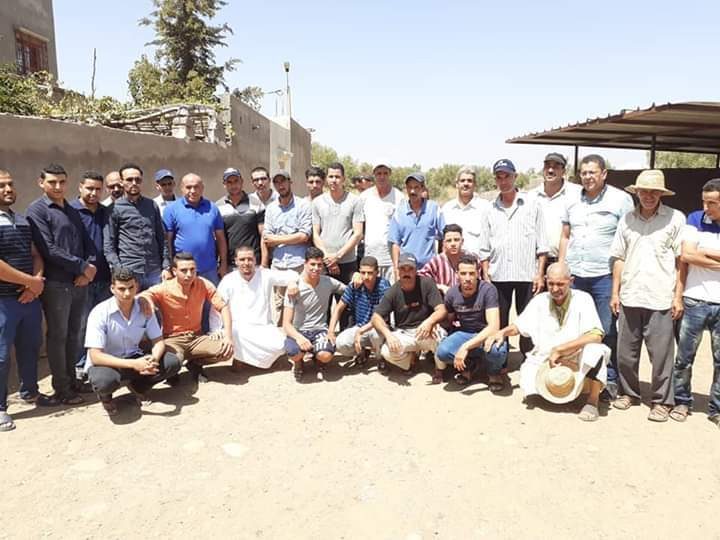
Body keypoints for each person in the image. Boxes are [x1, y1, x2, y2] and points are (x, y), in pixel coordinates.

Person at [487, 262, 609, 422]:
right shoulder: (540, 300)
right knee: (529, 383)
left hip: (575, 357)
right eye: (551, 284)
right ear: (545, 280)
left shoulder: (583, 299)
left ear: (571, 281)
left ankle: (592, 402)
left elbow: (596, 335)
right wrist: (502, 333)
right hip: (546, 360)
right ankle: (555, 391)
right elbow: (519, 326)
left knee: (596, 350)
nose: (555, 289)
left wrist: (561, 349)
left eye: (560, 284)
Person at [609, 170, 685, 422]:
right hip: (630, 294)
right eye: (644, 191)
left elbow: (680, 261)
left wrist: (677, 296)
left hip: (660, 296)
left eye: (654, 192)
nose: (649, 196)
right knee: (625, 353)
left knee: (661, 355)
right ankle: (628, 393)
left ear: (661, 194)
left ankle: (662, 401)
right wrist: (615, 292)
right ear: (637, 192)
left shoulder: (675, 218)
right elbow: (619, 257)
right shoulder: (627, 220)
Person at [559, 154, 634, 400]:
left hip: (604, 276)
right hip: (576, 275)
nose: (588, 177)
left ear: (604, 174)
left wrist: (619, 281)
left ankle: (608, 380)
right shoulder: (571, 201)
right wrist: (561, 267)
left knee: (606, 329)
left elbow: (628, 240)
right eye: (584, 173)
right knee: (575, 326)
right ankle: (578, 375)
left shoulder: (621, 200)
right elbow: (565, 236)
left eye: (592, 172)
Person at [27, 163, 97, 406]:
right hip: (57, 284)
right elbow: (48, 249)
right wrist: (81, 266)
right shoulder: (37, 210)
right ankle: (62, 389)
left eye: (62, 182)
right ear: (41, 183)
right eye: (52, 182)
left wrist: (86, 271)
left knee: (75, 334)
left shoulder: (72, 209)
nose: (58, 187)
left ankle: (72, 381)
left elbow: (88, 243)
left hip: (79, 282)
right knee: (58, 336)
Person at [84, 267, 181, 416]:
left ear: (136, 286)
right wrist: (134, 364)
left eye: (131, 288)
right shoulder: (100, 313)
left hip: (135, 356)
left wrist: (153, 360)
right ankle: (105, 397)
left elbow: (158, 341)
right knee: (104, 381)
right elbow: (95, 356)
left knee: (172, 362)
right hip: (108, 362)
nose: (127, 293)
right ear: (112, 289)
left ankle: (138, 387)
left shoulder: (145, 308)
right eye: (121, 289)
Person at [479, 159, 548, 356]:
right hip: (498, 274)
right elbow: (484, 246)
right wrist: (486, 273)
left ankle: (529, 359)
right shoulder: (489, 209)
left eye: (507, 176)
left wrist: (539, 274)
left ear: (515, 177)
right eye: (499, 177)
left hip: (526, 274)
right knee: (499, 320)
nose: (503, 181)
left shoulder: (532, 205)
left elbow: (542, 245)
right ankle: (499, 360)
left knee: (528, 319)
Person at [139, 252, 233, 383]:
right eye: (184, 270)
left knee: (227, 350)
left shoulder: (203, 284)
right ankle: (173, 370)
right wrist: (145, 300)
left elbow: (223, 307)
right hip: (172, 340)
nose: (189, 274)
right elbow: (145, 295)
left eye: (192, 270)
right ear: (174, 271)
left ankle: (195, 363)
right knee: (172, 363)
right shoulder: (164, 288)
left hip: (196, 338)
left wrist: (228, 336)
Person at [671, 177, 720, 427]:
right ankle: (681, 401)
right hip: (694, 299)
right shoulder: (694, 219)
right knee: (684, 358)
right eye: (704, 202)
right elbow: (686, 255)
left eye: (711, 203)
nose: (706, 208)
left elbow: (695, 254)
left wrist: (704, 252)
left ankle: (716, 408)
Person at [0, 170, 47, 430]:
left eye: (10, 184)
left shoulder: (21, 220)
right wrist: (30, 282)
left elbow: (35, 254)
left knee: (30, 348)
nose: (8, 189)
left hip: (29, 300)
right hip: (3, 302)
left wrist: (35, 284)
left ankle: (30, 392)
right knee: (1, 356)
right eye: (2, 186)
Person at [216, 245, 298, 370]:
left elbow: (292, 275)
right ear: (236, 261)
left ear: (255, 260)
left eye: (250, 259)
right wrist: (217, 329)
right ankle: (239, 360)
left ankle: (258, 360)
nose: (246, 263)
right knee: (231, 333)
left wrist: (292, 283)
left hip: (263, 326)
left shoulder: (265, 274)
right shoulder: (228, 280)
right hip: (238, 327)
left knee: (281, 345)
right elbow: (217, 305)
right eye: (242, 259)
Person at [434, 254, 505, 387]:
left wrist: (465, 347)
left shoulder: (488, 290)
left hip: (486, 333)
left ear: (477, 273)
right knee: (442, 352)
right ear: (457, 274)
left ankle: (493, 372)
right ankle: (469, 366)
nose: (467, 278)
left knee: (497, 351)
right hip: (465, 332)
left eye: (471, 273)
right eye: (463, 273)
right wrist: (435, 325)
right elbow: (449, 321)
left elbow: (493, 327)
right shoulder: (452, 294)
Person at [70, 171, 112, 390]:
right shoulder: (70, 212)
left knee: (102, 324)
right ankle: (79, 367)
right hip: (82, 279)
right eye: (89, 188)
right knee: (81, 325)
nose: (94, 193)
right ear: (80, 187)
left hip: (106, 278)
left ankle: (97, 363)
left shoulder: (106, 212)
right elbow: (68, 246)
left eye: (98, 189)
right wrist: (79, 271)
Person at [371, 252, 447, 374]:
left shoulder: (427, 283)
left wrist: (430, 322)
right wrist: (388, 335)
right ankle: (411, 360)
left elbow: (442, 310)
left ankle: (440, 370)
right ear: (398, 271)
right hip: (405, 333)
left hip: (426, 330)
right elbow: (375, 317)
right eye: (403, 269)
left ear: (416, 270)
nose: (406, 273)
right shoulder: (393, 291)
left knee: (440, 338)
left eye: (410, 269)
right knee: (386, 351)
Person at [312, 161, 364, 328]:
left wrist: (338, 256)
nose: (334, 180)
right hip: (324, 263)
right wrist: (327, 257)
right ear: (326, 179)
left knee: (347, 305)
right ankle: (323, 338)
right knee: (323, 304)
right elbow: (315, 233)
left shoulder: (355, 201)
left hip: (347, 262)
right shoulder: (318, 202)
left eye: (337, 177)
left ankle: (345, 339)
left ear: (344, 179)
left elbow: (357, 233)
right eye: (331, 176)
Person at [283, 247, 345, 381]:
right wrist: (299, 338)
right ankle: (298, 362)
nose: (316, 268)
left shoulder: (328, 282)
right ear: (305, 264)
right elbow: (286, 324)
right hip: (299, 330)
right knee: (294, 353)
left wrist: (357, 276)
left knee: (326, 355)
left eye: (319, 265)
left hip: (320, 330)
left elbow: (349, 290)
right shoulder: (294, 287)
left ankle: (318, 359)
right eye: (312, 264)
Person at [104, 163, 170, 291]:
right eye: (129, 180)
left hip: (154, 271)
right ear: (122, 182)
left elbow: (162, 238)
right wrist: (119, 269)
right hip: (130, 272)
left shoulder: (152, 205)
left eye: (137, 180)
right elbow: (109, 244)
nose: (134, 183)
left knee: (155, 304)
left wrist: (166, 266)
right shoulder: (114, 209)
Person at [262, 170, 312, 322]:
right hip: (278, 265)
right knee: (279, 307)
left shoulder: (303, 205)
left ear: (290, 182)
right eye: (276, 182)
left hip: (298, 265)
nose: (280, 185)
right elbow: (267, 237)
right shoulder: (271, 208)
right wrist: (293, 237)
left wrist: (277, 240)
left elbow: (304, 235)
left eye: (283, 181)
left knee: (300, 306)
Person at [164, 172, 228, 284]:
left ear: (202, 188)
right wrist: (168, 267)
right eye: (188, 187)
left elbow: (221, 239)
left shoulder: (212, 208)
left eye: (196, 187)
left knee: (211, 296)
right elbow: (167, 241)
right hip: (182, 270)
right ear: (182, 189)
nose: (193, 191)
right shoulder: (171, 209)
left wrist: (223, 264)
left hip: (209, 270)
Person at [327, 256, 390, 364]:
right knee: (340, 343)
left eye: (370, 273)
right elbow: (339, 308)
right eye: (363, 273)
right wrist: (331, 331)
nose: (366, 277)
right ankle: (363, 352)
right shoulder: (355, 286)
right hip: (360, 326)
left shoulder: (383, 286)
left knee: (375, 335)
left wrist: (361, 331)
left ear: (377, 272)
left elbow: (382, 317)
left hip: (378, 327)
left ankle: (380, 359)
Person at [530, 153, 582, 264]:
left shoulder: (577, 193)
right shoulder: (531, 196)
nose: (550, 170)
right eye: (547, 166)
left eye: (556, 167)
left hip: (568, 262)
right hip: (536, 262)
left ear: (564, 171)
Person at [389, 172, 445, 275]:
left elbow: (444, 236)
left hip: (429, 269)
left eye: (416, 187)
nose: (412, 191)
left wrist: (441, 264)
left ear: (423, 188)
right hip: (406, 269)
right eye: (409, 187)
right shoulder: (399, 212)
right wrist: (396, 270)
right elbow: (395, 244)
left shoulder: (433, 208)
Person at [360, 163, 405, 283]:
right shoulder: (364, 197)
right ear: (374, 175)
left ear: (390, 174)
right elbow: (360, 226)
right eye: (379, 173)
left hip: (391, 259)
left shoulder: (399, 197)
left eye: (385, 173)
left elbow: (402, 228)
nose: (382, 176)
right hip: (370, 256)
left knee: (391, 291)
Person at [216, 167, 265, 267]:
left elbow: (264, 236)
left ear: (242, 182)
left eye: (236, 181)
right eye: (229, 182)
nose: (233, 185)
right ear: (224, 184)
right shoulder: (218, 207)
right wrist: (223, 264)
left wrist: (264, 263)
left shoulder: (256, 203)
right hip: (230, 264)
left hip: (253, 263)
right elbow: (219, 238)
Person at [440, 167, 490, 256]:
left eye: (469, 181)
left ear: (475, 184)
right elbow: (442, 241)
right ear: (457, 184)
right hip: (452, 263)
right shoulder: (447, 209)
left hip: (477, 262)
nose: (466, 184)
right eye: (462, 181)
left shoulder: (485, 207)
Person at [418, 224, 481, 295]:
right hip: (444, 299)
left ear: (462, 241)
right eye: (449, 241)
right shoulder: (436, 261)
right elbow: (420, 279)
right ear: (444, 243)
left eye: (456, 240)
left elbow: (479, 283)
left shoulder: (473, 259)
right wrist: (439, 287)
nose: (453, 244)